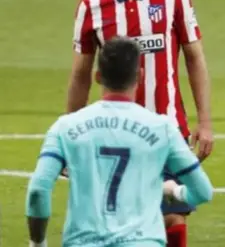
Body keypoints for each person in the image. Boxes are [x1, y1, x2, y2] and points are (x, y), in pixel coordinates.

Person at [65, 0, 214, 247]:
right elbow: (80, 76)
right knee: (121, 225)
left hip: (167, 129)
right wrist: (71, 133)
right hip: (114, 135)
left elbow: (195, 57)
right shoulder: (91, 7)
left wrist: (204, 121)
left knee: (172, 214)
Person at [26, 37, 214, 247]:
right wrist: (173, 190)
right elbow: (203, 192)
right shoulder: (162, 128)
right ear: (139, 76)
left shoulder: (66, 127)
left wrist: (38, 243)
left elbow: (38, 190)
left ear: (98, 76)